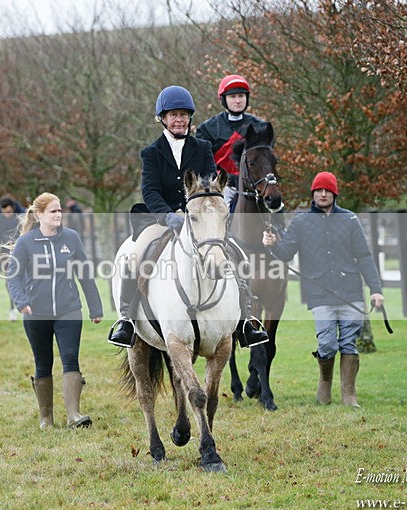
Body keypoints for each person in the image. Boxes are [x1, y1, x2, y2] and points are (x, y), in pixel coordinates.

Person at [107, 85, 268, 349]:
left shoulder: (202, 147)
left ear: (190, 118)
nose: (179, 119)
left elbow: (209, 183)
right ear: (163, 118)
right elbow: (150, 190)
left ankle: (245, 321)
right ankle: (127, 320)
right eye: (173, 115)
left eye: (183, 114)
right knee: (135, 254)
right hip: (162, 220)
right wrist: (168, 216)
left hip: (200, 218)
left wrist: (200, 211)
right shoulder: (151, 152)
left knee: (237, 253)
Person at [262, 171, 384, 408]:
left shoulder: (349, 220)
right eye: (319, 190)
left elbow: (364, 256)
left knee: (349, 343)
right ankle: (325, 382)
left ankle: (349, 394)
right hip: (319, 293)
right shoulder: (301, 222)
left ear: (334, 193)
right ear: (313, 194)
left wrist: (375, 289)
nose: (323, 194)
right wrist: (273, 245)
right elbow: (286, 253)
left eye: (327, 190)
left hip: (350, 292)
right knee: (327, 342)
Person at [6, 192, 103, 430]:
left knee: (70, 358)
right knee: (43, 363)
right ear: (39, 215)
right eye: (53, 211)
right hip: (36, 312)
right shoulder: (26, 242)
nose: (58, 215)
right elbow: (14, 277)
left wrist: (95, 306)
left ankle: (74, 415)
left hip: (68, 308)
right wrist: (21, 302)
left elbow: (84, 273)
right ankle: (45, 418)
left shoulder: (71, 238)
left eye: (60, 210)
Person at [196, 74, 267, 211]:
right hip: (222, 186)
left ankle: (281, 230)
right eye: (233, 97)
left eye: (241, 96)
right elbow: (203, 164)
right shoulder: (207, 129)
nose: (238, 101)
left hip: (254, 184)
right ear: (224, 100)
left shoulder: (260, 128)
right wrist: (227, 179)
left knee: (275, 203)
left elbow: (265, 162)